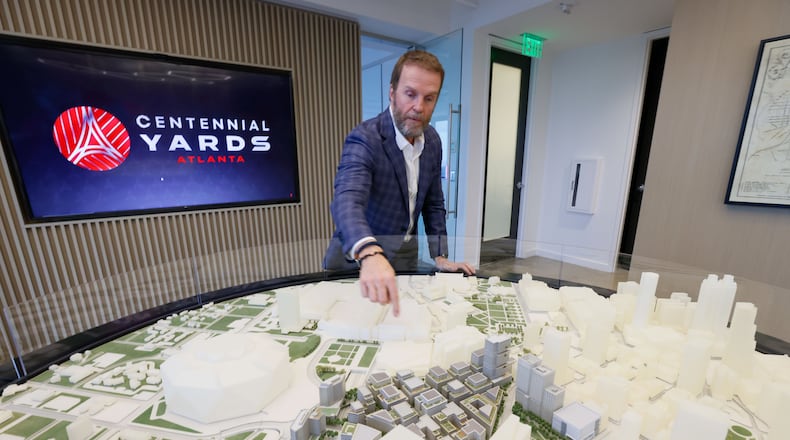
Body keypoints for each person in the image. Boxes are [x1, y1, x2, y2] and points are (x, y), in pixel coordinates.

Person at [323, 49, 475, 317]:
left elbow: (433, 202)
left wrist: (440, 256)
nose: (419, 106)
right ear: (392, 92)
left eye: (429, 98)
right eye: (410, 94)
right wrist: (369, 253)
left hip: (405, 252)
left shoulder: (434, 141)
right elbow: (347, 199)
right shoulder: (365, 138)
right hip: (357, 260)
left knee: (400, 323)